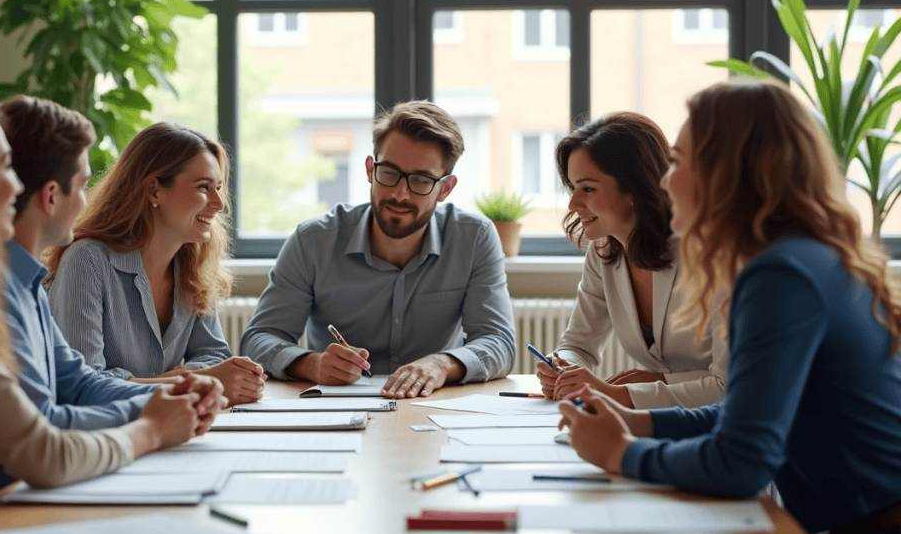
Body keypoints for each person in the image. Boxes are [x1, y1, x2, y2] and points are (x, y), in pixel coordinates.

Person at [558, 80, 901, 534]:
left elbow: (740, 462)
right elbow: (745, 412)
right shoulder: (799, 257)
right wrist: (637, 423)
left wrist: (618, 452)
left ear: (726, 174)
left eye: (677, 162)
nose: (662, 181)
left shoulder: (780, 274)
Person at [0, 88, 222, 534]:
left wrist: (163, 397)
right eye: (1, 167)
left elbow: (75, 380)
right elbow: (41, 448)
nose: (16, 186)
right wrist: (154, 426)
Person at [240, 100, 516, 399]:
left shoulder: (474, 238)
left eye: (421, 180)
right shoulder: (313, 241)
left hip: (433, 406)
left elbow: (498, 341)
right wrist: (313, 364)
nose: (400, 193)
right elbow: (259, 339)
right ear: (371, 169)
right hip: (335, 410)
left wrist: (442, 364)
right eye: (389, 173)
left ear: (446, 188)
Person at [46, 122, 265, 406]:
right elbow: (83, 386)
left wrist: (186, 377)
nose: (219, 203)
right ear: (153, 190)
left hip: (166, 428)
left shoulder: (194, 263)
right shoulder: (86, 260)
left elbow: (214, 356)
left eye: (219, 188)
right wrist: (185, 383)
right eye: (204, 187)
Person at [535, 112, 729, 409]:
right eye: (572, 188)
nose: (573, 204)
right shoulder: (604, 251)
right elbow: (577, 345)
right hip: (665, 421)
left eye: (588, 188)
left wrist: (639, 388)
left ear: (634, 188)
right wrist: (562, 368)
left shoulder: (712, 254)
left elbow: (730, 386)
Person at [1, 95, 157, 429]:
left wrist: (166, 397)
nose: (87, 202)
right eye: (85, 184)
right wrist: (152, 417)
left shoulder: (29, 285)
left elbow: (76, 382)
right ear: (52, 195)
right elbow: (41, 425)